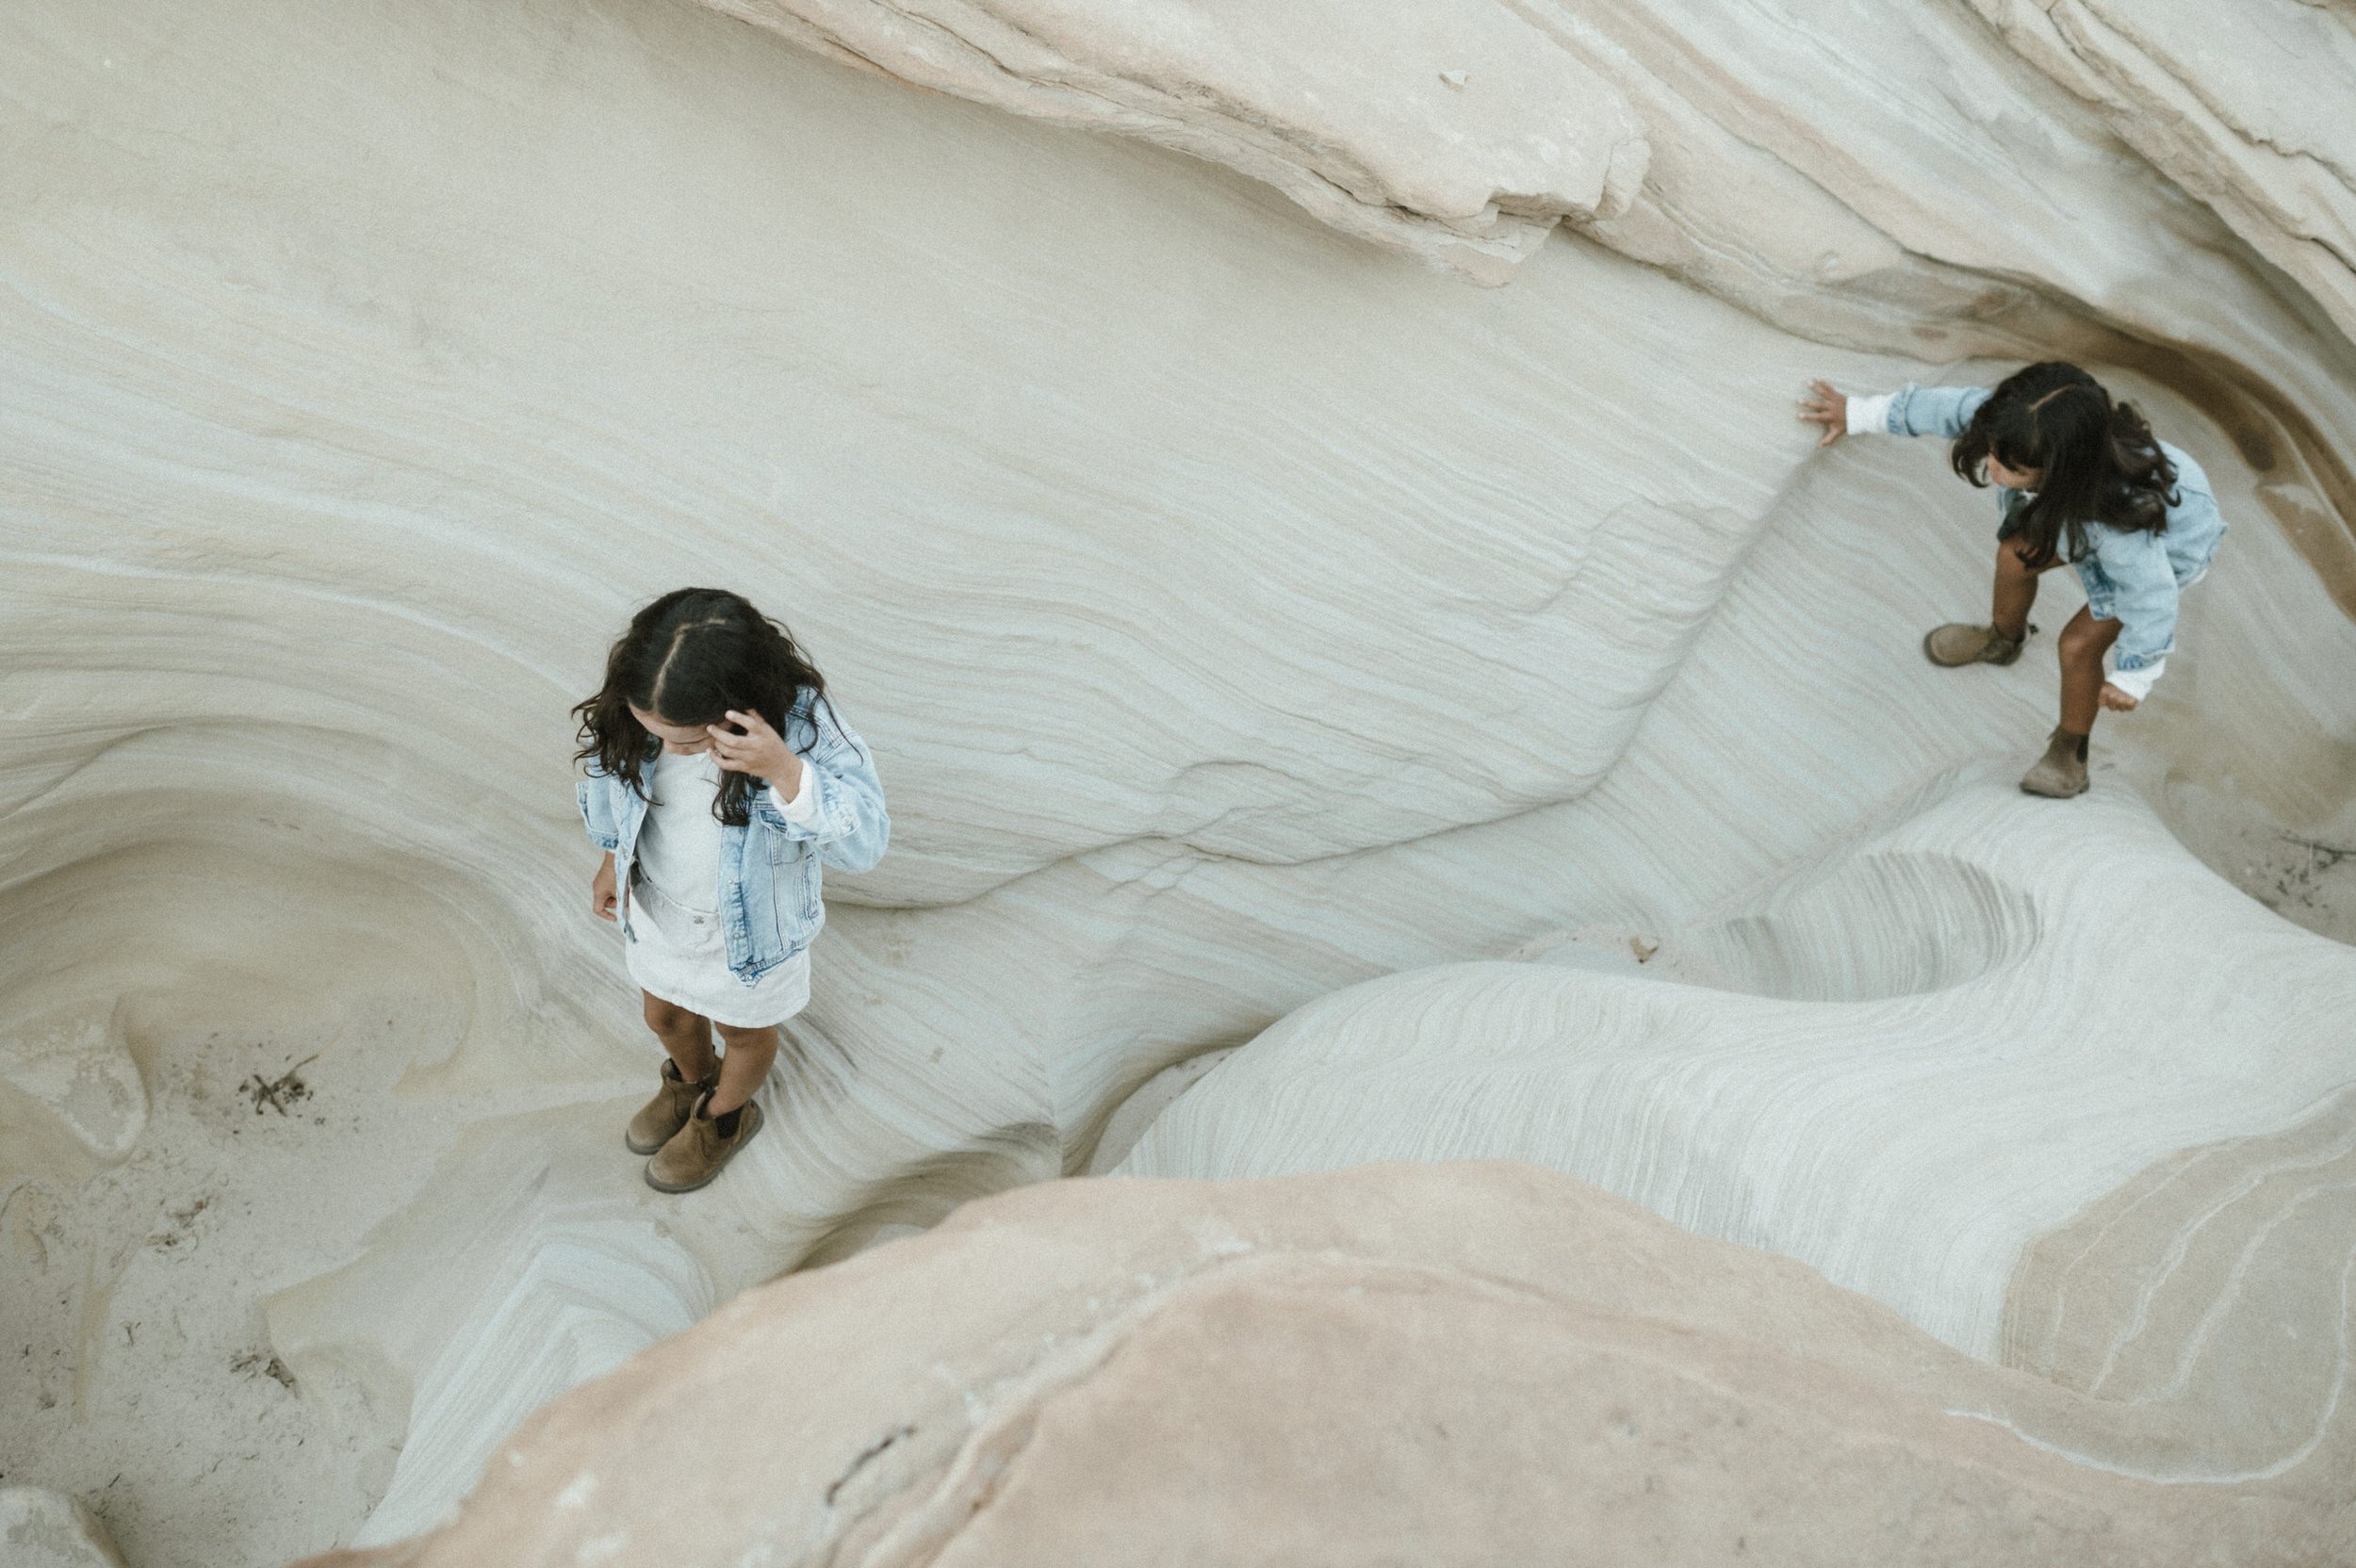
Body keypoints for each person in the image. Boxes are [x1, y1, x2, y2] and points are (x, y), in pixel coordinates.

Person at [574, 588, 888, 1191]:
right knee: (663, 1013)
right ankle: (691, 1084)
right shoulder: (645, 704)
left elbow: (864, 843)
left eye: (689, 742)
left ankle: (725, 1116)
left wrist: (785, 771)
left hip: (752, 932)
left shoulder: (800, 730)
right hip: (661, 908)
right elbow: (609, 778)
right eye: (651, 730)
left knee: (744, 1033)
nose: (669, 749)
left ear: (741, 708)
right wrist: (612, 855)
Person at [1800, 363, 2226, 797]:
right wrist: (1856, 413)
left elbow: (2150, 594)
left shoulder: (2116, 525)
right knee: (2014, 556)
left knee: (2078, 645)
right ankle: (2003, 639)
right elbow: (1943, 408)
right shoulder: (2020, 427)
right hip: (2077, 512)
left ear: (2060, 472)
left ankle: (2069, 751)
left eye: (2013, 468)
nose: (1994, 469)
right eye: (1993, 452)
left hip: (2165, 547)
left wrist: (2135, 673)